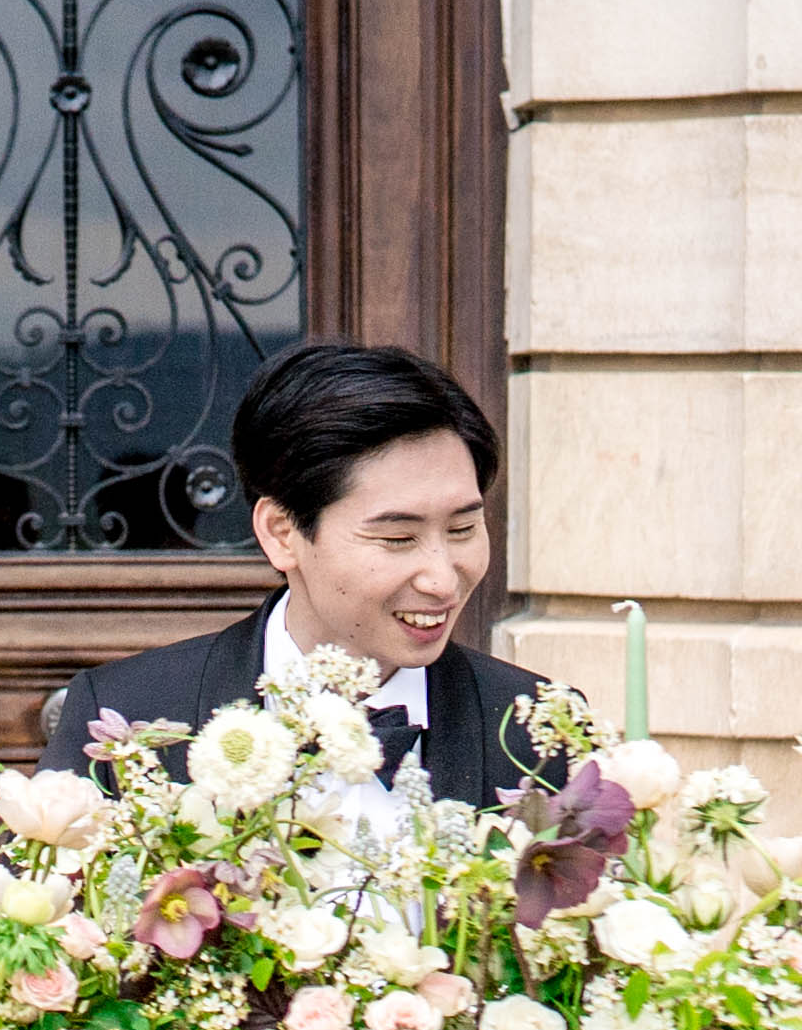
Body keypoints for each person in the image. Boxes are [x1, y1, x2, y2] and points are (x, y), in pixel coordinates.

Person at [39, 342, 555, 802]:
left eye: (463, 529)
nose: (442, 580)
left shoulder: (539, 728)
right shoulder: (128, 715)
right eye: (398, 538)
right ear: (283, 532)